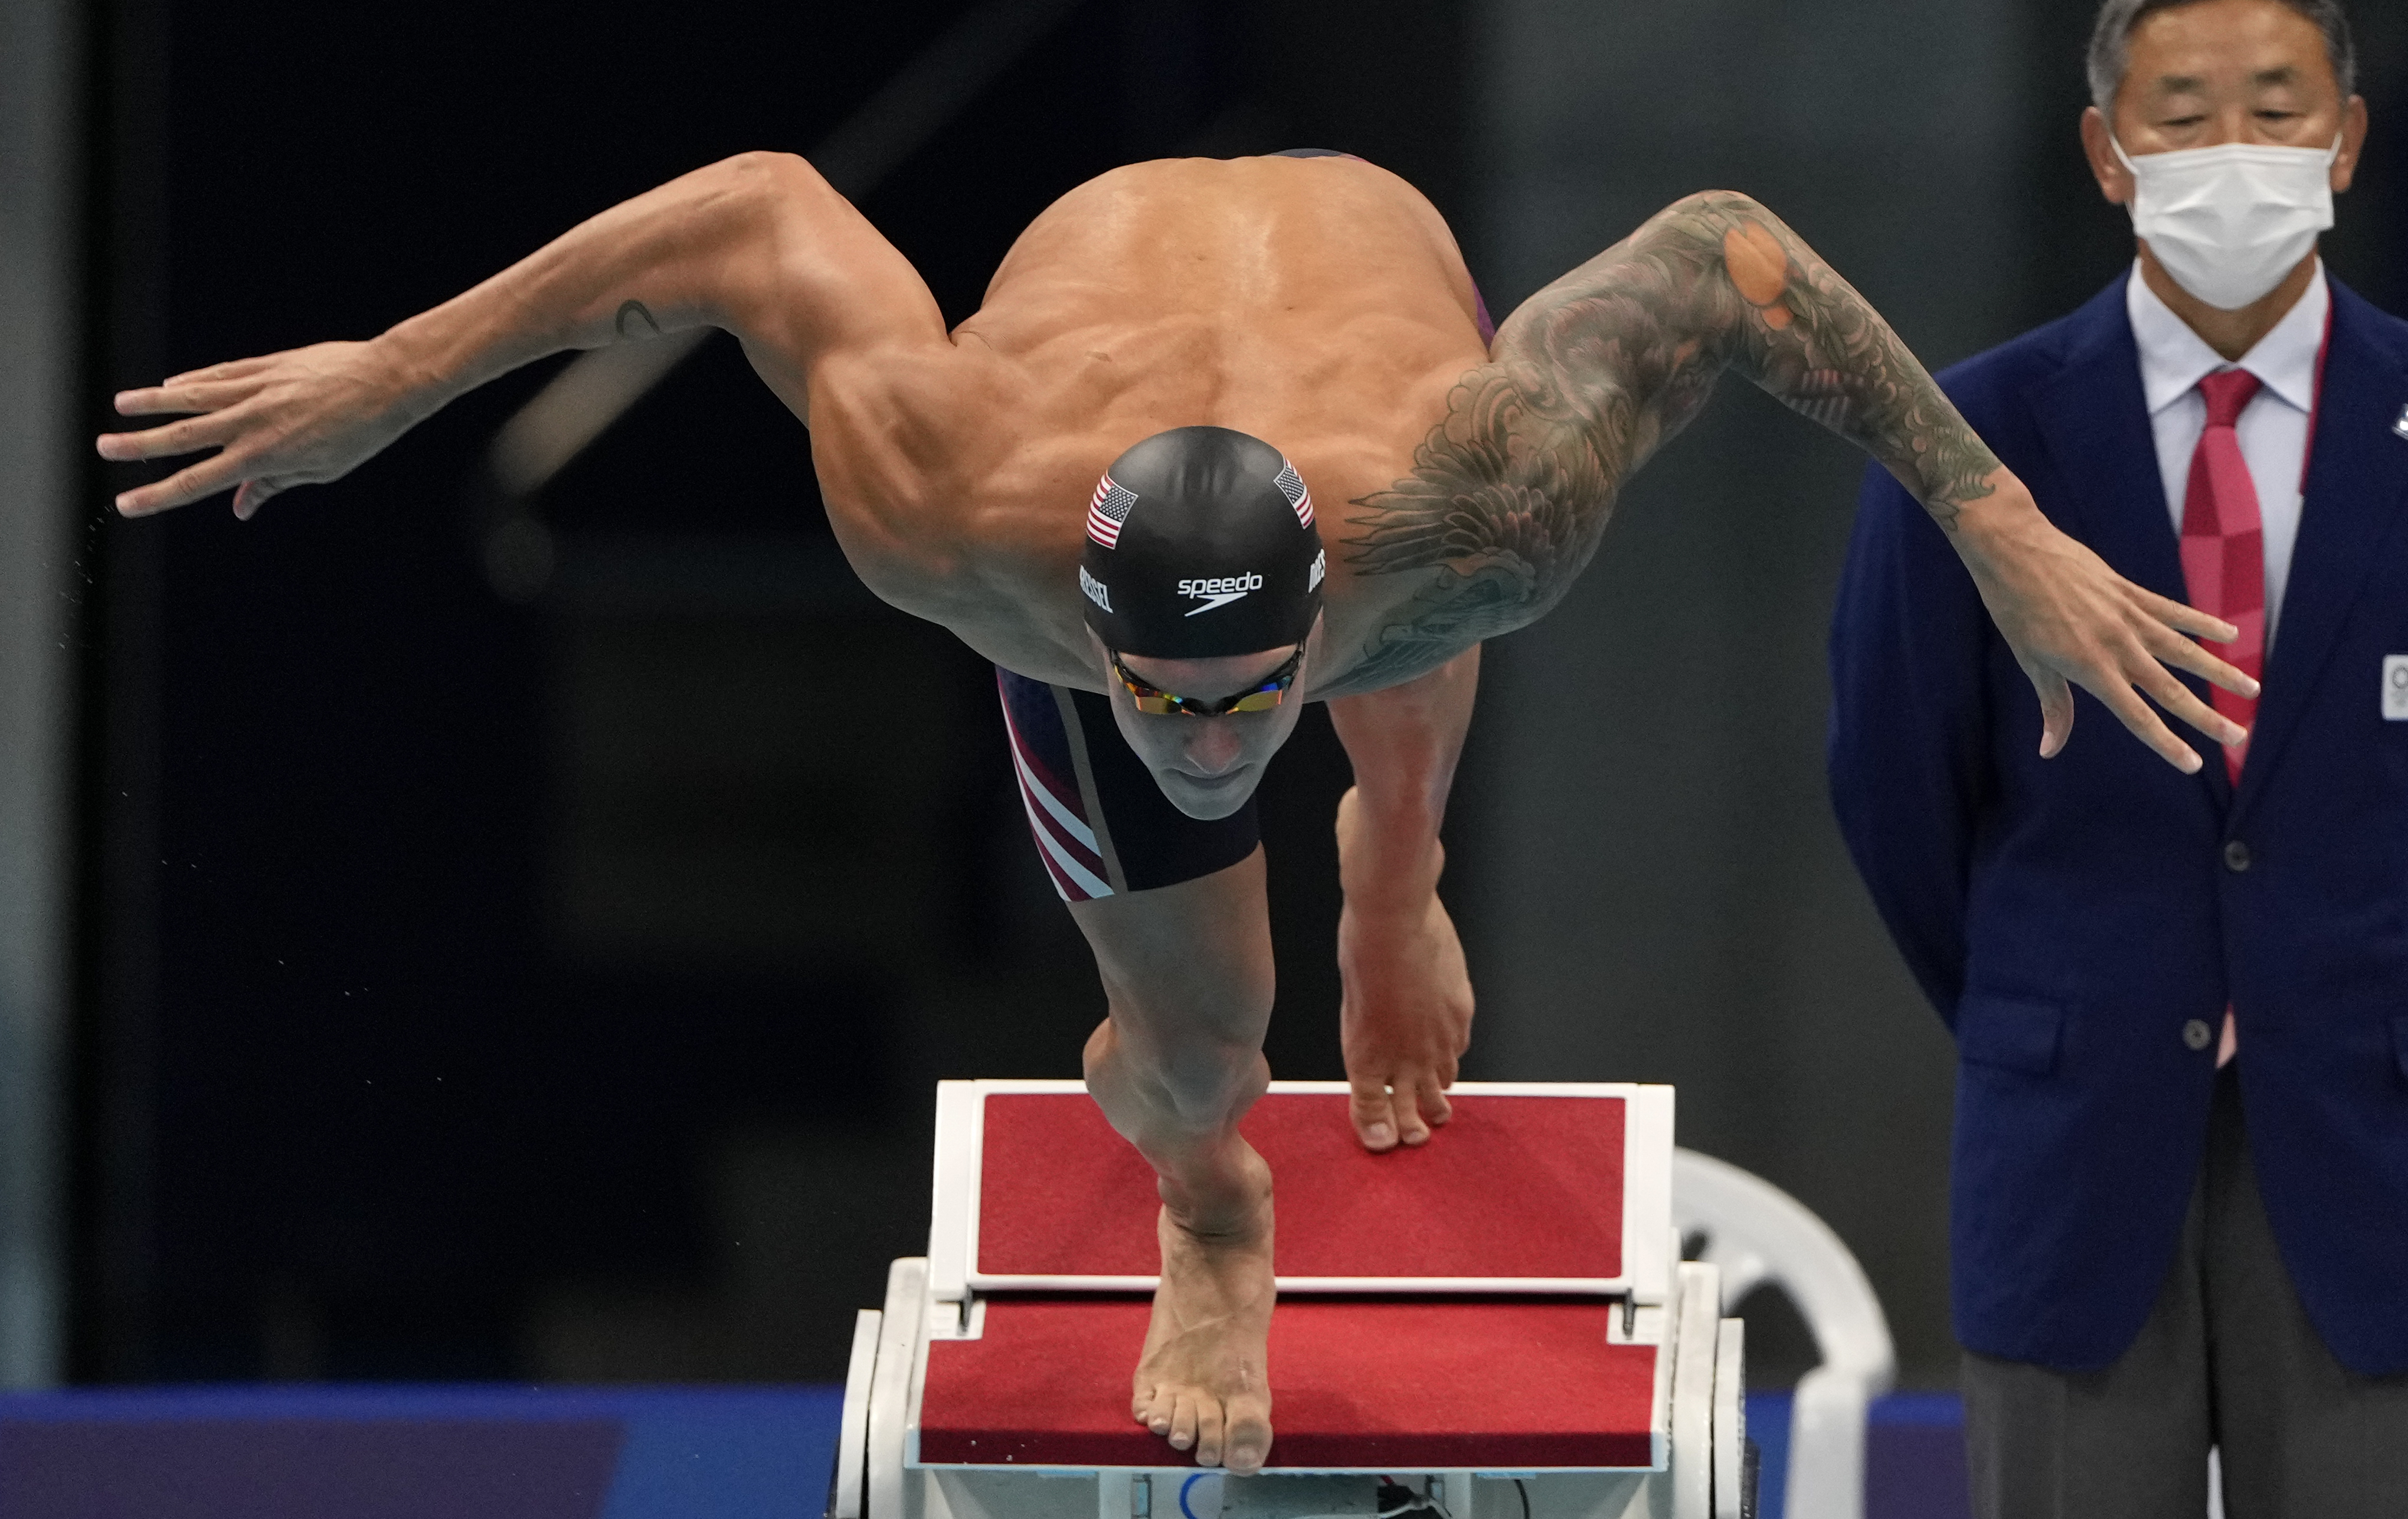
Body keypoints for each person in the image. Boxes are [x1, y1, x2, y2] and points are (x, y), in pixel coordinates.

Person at [103, 147, 2246, 1473]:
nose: (1215, 736)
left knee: (1432, 638)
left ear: (1309, 608)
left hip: (1380, 422)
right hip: (1111, 353)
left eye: (1250, 694)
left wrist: (2003, 531)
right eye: (1168, 698)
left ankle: (1387, 866)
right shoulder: (947, 502)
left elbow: (1727, 252)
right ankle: (1212, 1202)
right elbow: (751, 214)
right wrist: (394, 372)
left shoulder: (1481, 495)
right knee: (1207, 1039)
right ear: (1095, 632)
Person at [1828, 0, 2408, 1518]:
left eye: (2278, 111)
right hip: (2078, 1136)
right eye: (2185, 112)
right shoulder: (1969, 442)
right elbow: (1895, 793)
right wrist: (2058, 995)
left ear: (2348, 139)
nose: (2236, 152)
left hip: (2379, 1138)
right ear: (2107, 151)